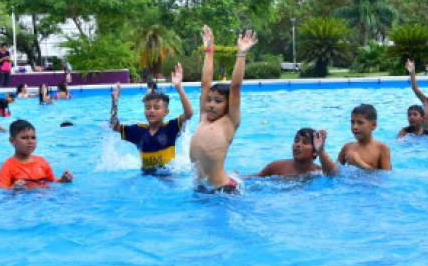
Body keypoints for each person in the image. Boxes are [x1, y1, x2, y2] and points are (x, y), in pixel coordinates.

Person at [189, 25, 257, 194]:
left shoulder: (229, 122)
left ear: (228, 106)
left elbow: (235, 86)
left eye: (218, 101)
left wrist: (241, 53)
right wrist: (209, 50)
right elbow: (205, 82)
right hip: (200, 188)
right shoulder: (204, 117)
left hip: (223, 190)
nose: (211, 104)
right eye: (209, 100)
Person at [111, 63, 194, 175]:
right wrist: (115, 102)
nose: (151, 110)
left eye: (156, 107)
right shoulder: (138, 131)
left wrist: (179, 87)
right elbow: (114, 126)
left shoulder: (171, 128)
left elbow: (189, 113)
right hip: (145, 175)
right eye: (148, 107)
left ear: (165, 112)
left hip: (168, 175)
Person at [0, 120, 73, 189]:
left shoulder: (42, 162)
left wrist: (63, 180)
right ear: (12, 141)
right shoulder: (7, 167)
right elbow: (2, 191)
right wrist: (13, 188)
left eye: (33, 138)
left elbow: (52, 181)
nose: (30, 141)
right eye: (24, 138)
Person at [250, 128, 338, 177]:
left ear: (314, 152)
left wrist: (320, 150)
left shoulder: (318, 172)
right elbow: (254, 178)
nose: (298, 145)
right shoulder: (275, 168)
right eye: (296, 141)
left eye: (305, 142)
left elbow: (333, 175)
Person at [337, 104, 392, 170]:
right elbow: (334, 172)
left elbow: (386, 178)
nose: (355, 127)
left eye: (360, 123)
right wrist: (321, 151)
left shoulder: (382, 149)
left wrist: (360, 163)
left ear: (374, 125)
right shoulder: (347, 147)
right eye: (352, 122)